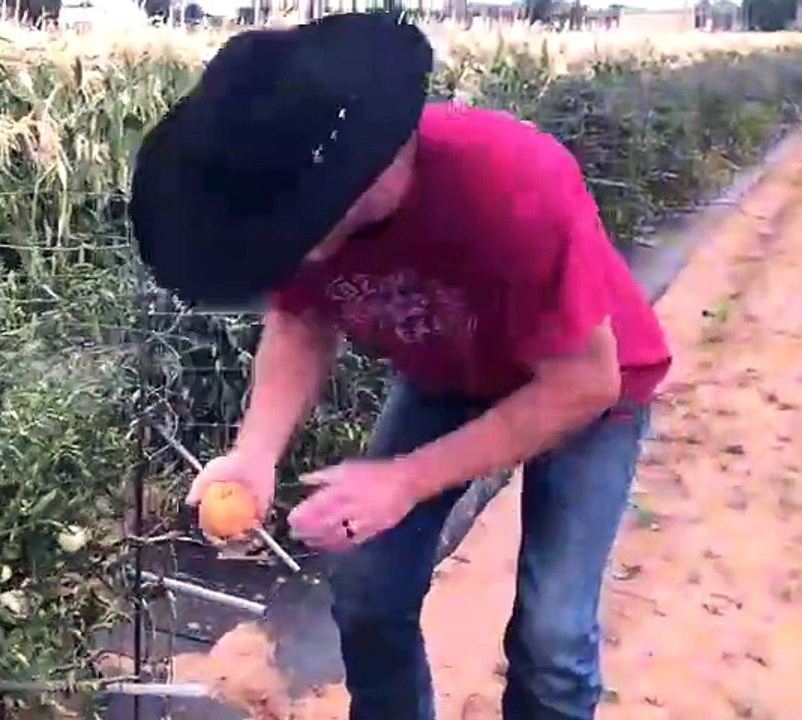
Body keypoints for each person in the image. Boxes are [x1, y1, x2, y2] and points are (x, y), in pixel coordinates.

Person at [127, 12, 672, 720]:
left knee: (551, 634)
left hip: (586, 386)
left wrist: (406, 480)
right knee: (367, 593)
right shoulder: (300, 209)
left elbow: (582, 384)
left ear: (373, 164)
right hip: (450, 376)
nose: (293, 244)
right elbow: (301, 318)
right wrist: (254, 455)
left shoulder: (509, 181)